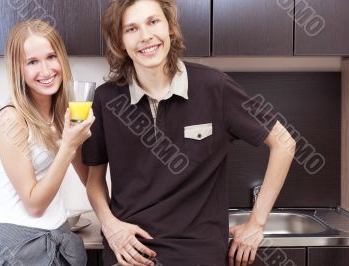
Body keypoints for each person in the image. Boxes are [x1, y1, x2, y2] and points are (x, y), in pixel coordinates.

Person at [83, 0, 296, 265]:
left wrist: (257, 222)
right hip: (130, 253)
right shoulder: (106, 99)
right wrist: (109, 224)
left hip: (198, 254)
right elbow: (94, 180)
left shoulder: (214, 87)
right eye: (131, 29)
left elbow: (284, 143)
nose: (145, 36)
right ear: (119, 41)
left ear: (170, 27)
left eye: (153, 22)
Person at [0, 19, 94, 266]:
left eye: (51, 57)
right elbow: (34, 204)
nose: (46, 71)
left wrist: (116, 219)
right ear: (19, 70)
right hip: (19, 247)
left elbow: (90, 179)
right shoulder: (11, 119)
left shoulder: (63, 115)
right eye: (32, 62)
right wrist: (68, 146)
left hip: (60, 233)